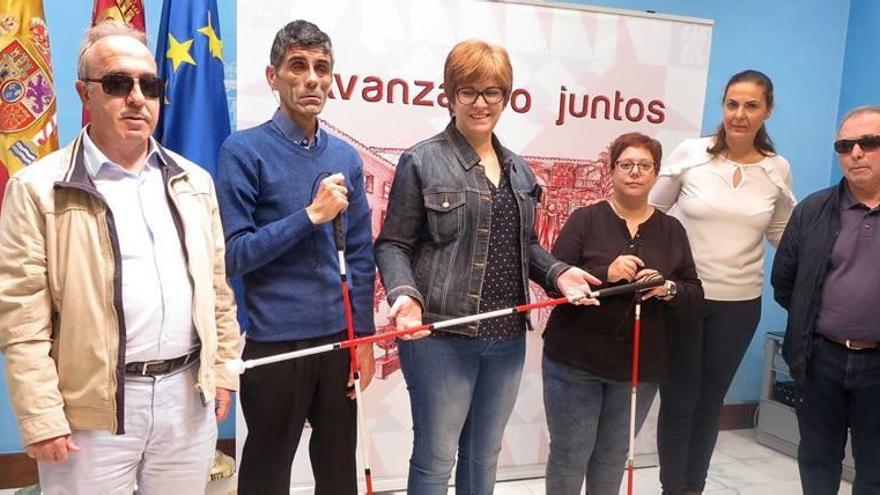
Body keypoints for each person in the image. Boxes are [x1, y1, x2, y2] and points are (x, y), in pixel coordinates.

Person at [0, 21, 240, 493]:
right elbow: (21, 318)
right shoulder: (38, 189)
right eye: (117, 83)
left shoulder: (194, 182)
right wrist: (41, 415)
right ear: (84, 94)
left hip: (186, 400)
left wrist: (224, 368)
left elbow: (217, 287)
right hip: (91, 412)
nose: (136, 97)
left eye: (148, 85)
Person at [374, 39, 600, 495]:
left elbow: (526, 245)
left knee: (484, 457)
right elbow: (393, 244)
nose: (481, 103)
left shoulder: (519, 170)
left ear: (507, 97)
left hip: (506, 339)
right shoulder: (422, 159)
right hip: (441, 336)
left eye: (492, 92)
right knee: (436, 460)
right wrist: (405, 296)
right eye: (468, 91)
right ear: (450, 95)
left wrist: (558, 272)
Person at [216, 20, 375, 495]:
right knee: (265, 476)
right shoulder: (243, 151)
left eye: (322, 68)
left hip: (336, 341)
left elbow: (362, 253)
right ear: (273, 76)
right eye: (298, 66)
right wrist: (310, 216)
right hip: (275, 345)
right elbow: (234, 255)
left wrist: (361, 337)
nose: (312, 79)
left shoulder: (345, 157)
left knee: (337, 474)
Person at [649, 69, 796, 494]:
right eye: (732, 103)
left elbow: (781, 234)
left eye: (751, 105)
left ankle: (693, 487)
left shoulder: (776, 168)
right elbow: (652, 217)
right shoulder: (692, 154)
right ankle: (671, 488)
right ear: (723, 106)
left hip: (740, 305)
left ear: (767, 111)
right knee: (678, 401)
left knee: (709, 402)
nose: (740, 114)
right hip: (684, 298)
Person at [542, 132, 703, 495]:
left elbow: (694, 292)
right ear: (611, 171)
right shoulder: (585, 220)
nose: (635, 173)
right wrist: (605, 274)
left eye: (644, 166)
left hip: (638, 369)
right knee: (570, 454)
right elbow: (553, 279)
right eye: (626, 164)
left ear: (656, 174)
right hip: (574, 363)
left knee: (612, 456)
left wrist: (667, 288)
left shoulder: (672, 230)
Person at [772, 105, 880, 495]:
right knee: (817, 459)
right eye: (845, 145)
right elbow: (785, 284)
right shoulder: (812, 211)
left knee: (876, 468)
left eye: (869, 143)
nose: (856, 153)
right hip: (821, 360)